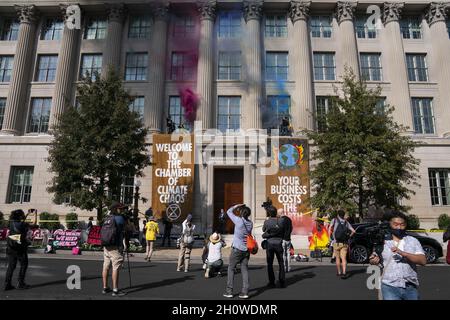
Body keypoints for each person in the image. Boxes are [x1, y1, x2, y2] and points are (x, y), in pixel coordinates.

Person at [369, 211, 427, 300]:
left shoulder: (413, 241)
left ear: (406, 225)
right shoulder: (382, 241)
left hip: (410, 286)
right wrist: (373, 261)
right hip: (389, 286)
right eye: (395, 224)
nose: (399, 227)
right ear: (389, 224)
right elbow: (373, 258)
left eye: (402, 225)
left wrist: (404, 254)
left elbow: (423, 261)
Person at [223, 204, 253, 299]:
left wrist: (236, 205)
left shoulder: (239, 221)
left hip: (237, 249)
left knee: (231, 268)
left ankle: (229, 291)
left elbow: (228, 212)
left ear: (241, 213)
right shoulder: (250, 223)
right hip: (246, 249)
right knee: (244, 269)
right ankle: (245, 291)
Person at [102, 202, 127, 297]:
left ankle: (105, 287)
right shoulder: (120, 218)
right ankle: (115, 290)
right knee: (116, 267)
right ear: (116, 209)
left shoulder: (107, 218)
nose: (123, 210)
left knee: (106, 266)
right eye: (121, 209)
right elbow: (128, 228)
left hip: (106, 245)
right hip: (115, 246)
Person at [4, 209, 31, 291]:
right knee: (24, 264)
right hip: (20, 248)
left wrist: (27, 214)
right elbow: (32, 225)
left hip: (11, 247)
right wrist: (34, 214)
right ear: (20, 216)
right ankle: (21, 283)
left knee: (11, 267)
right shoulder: (23, 224)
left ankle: (7, 284)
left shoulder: (10, 223)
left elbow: (19, 224)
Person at [327, 210, 355, 279]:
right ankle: (344, 272)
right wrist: (348, 237)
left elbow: (329, 228)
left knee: (337, 258)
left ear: (338, 215)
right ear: (343, 215)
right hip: (344, 243)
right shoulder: (346, 222)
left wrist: (330, 238)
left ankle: (339, 272)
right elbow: (353, 231)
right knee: (344, 258)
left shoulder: (334, 220)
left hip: (336, 242)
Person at [262, 206, 285, 288]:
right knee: (281, 262)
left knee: (270, 263)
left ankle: (272, 282)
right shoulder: (281, 221)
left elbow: (263, 229)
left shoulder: (267, 221)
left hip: (270, 243)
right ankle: (282, 280)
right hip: (279, 243)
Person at [278, 208, 293, 273]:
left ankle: (284, 268)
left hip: (283, 239)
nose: (278, 214)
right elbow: (291, 228)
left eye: (278, 213)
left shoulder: (281, 220)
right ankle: (289, 268)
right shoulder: (289, 219)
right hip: (288, 238)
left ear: (280, 213)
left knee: (283, 254)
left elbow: (280, 229)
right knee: (288, 253)